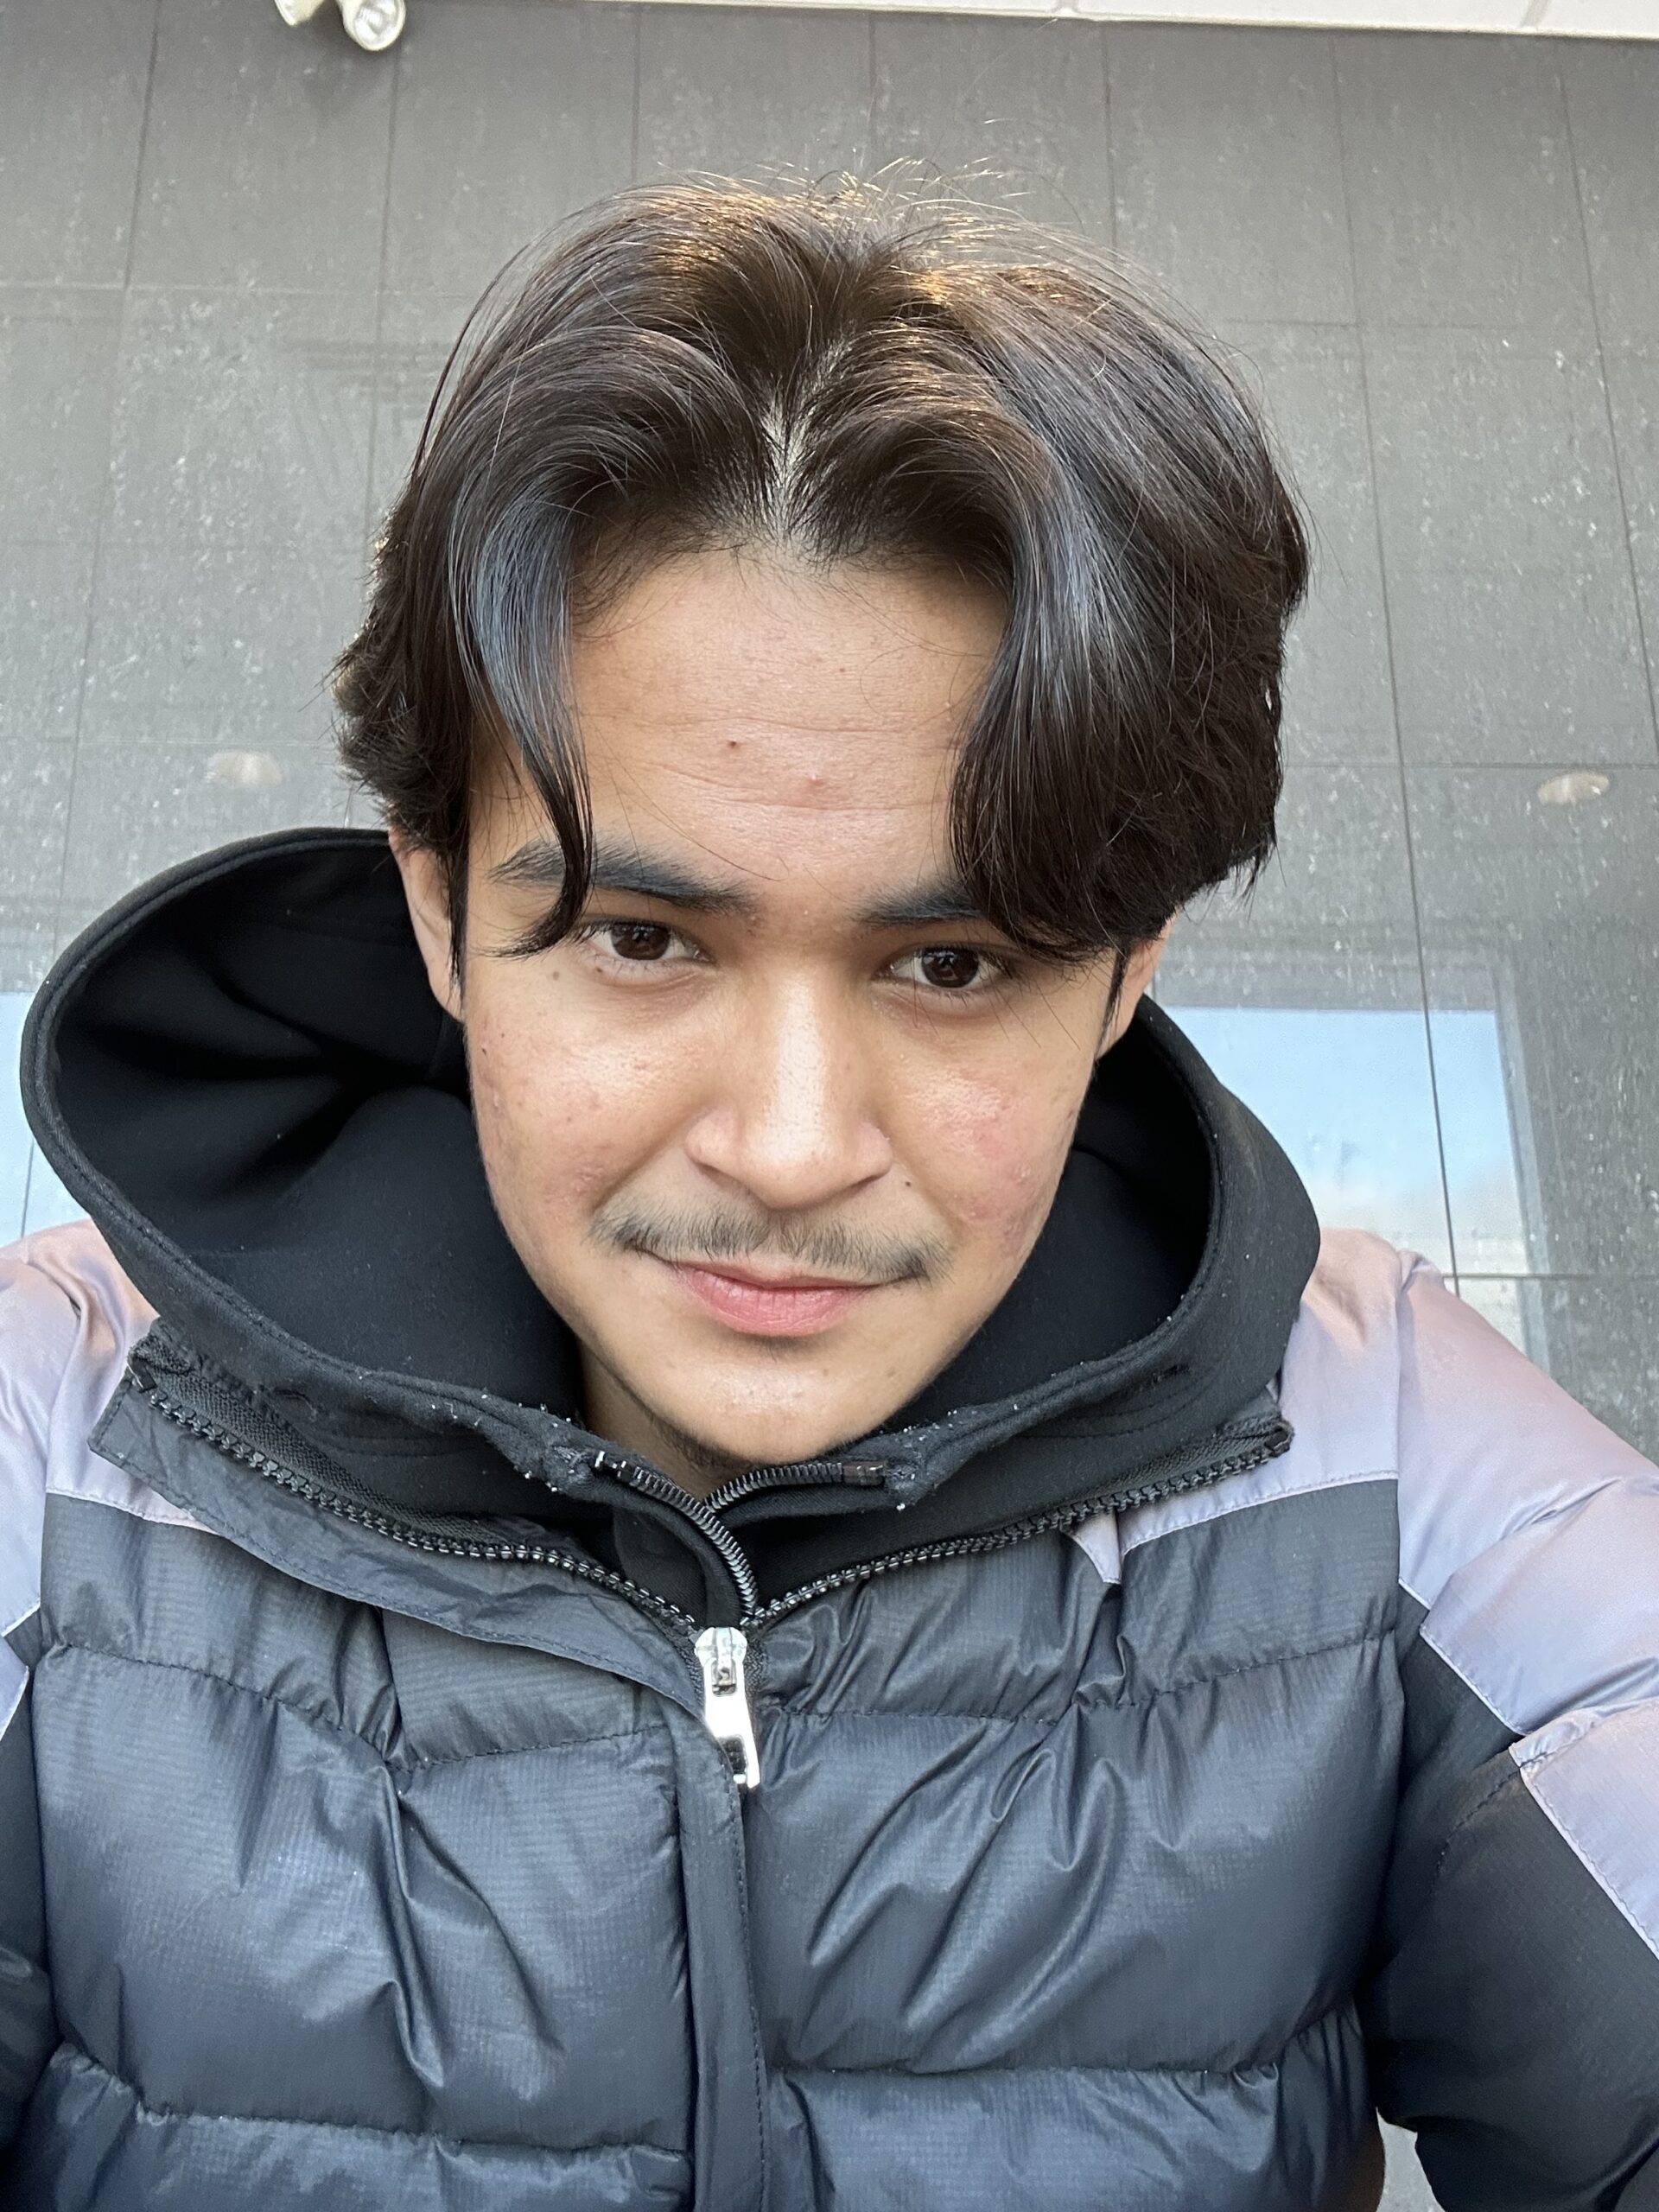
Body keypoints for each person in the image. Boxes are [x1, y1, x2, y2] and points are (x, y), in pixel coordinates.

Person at [1, 176, 1654, 2212]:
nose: (788, 1147)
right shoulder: (62, 1435)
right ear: (437, 907)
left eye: (953, 965)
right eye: (641, 936)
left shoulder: (1387, 1451)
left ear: (1130, 968)